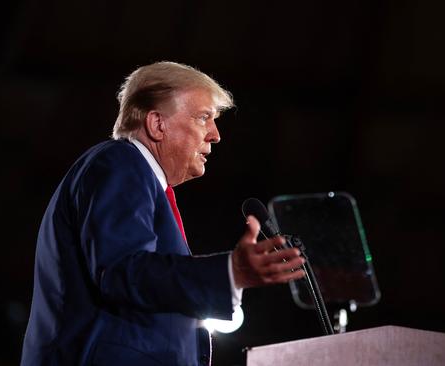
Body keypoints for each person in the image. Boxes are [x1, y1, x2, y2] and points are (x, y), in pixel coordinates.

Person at [21, 61, 305, 366]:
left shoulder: (141, 179)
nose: (216, 134)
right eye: (203, 117)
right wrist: (229, 273)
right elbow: (122, 270)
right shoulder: (119, 163)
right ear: (157, 124)